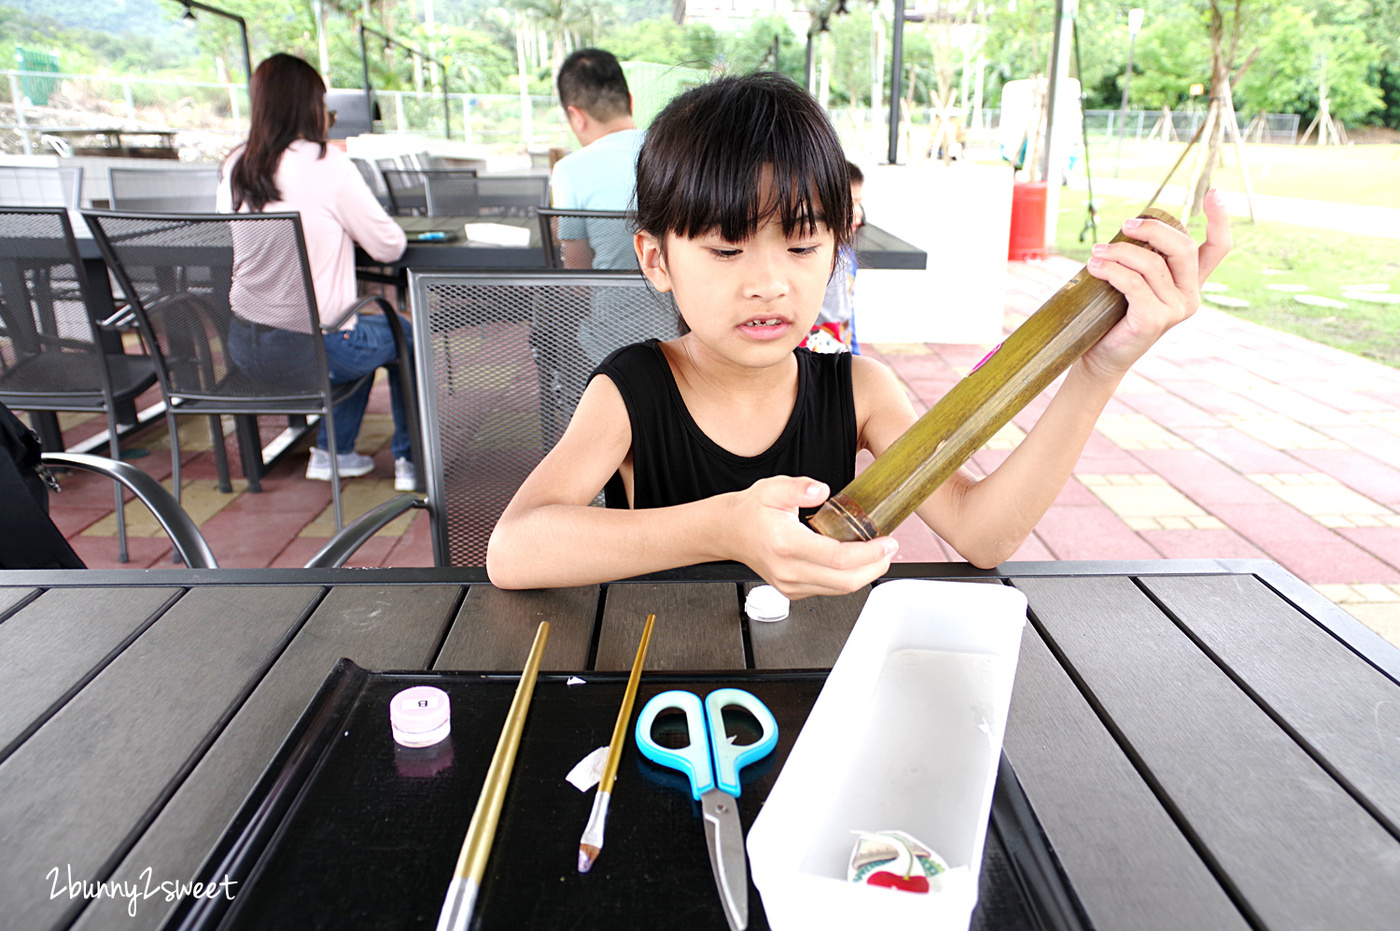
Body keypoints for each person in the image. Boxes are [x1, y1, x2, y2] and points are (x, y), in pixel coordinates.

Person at [486, 73, 1231, 599]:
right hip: (663, 680)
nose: (770, 282)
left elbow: (981, 534)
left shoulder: (860, 389)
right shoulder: (632, 389)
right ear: (657, 260)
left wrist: (1098, 370)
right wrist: (724, 527)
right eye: (725, 249)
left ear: (838, 246)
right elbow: (514, 548)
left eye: (803, 245)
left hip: (820, 683)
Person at [216, 53, 416, 492]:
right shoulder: (327, 163)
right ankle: (410, 461)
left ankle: (333, 453)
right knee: (400, 334)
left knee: (359, 327)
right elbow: (389, 245)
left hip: (245, 344)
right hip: (315, 352)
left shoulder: (235, 165)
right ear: (309, 105)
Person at [550, 47, 644, 271]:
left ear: (576, 116)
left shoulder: (569, 170)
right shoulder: (674, 150)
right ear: (631, 102)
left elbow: (577, 278)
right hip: (681, 304)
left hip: (611, 305)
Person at [805, 160, 864, 354]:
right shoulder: (810, 258)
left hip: (841, 351)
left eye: (859, 203)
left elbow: (848, 309)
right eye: (850, 203)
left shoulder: (848, 256)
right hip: (810, 354)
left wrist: (854, 353)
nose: (858, 212)